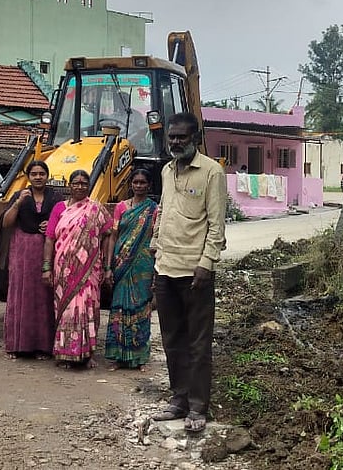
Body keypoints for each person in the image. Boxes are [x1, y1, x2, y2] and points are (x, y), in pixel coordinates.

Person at [150, 112, 227, 434]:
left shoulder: (212, 171)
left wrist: (206, 264)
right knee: (172, 340)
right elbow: (165, 210)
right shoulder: (167, 170)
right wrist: (155, 244)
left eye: (182, 137)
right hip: (165, 268)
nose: (176, 142)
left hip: (195, 272)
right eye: (172, 137)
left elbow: (216, 223)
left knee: (198, 343)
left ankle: (198, 406)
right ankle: (179, 399)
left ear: (195, 137)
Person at [42, 169, 112, 369]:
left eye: (84, 183)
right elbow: (49, 239)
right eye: (76, 183)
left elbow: (108, 235)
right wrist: (46, 268)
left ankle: (87, 354)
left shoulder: (96, 209)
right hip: (63, 268)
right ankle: (65, 353)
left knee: (88, 308)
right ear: (69, 186)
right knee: (65, 311)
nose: (80, 186)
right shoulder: (59, 208)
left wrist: (107, 266)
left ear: (88, 186)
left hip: (89, 269)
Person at [0, 161, 63, 360]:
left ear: (47, 176)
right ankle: (17, 345)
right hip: (22, 252)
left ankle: (42, 346)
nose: (38, 177)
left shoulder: (55, 198)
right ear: (28, 176)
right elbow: (6, 222)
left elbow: (67, 221)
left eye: (41, 173)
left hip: (47, 252)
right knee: (21, 294)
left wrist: (52, 225)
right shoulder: (20, 195)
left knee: (44, 296)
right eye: (34, 174)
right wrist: (18, 204)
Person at [104, 169, 159, 371]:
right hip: (121, 263)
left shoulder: (154, 209)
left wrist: (156, 268)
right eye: (135, 182)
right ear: (131, 184)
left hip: (143, 264)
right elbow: (113, 236)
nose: (139, 186)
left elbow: (157, 236)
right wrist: (108, 267)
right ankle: (118, 356)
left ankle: (139, 357)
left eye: (143, 182)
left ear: (149, 185)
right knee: (119, 306)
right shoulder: (121, 207)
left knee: (141, 308)